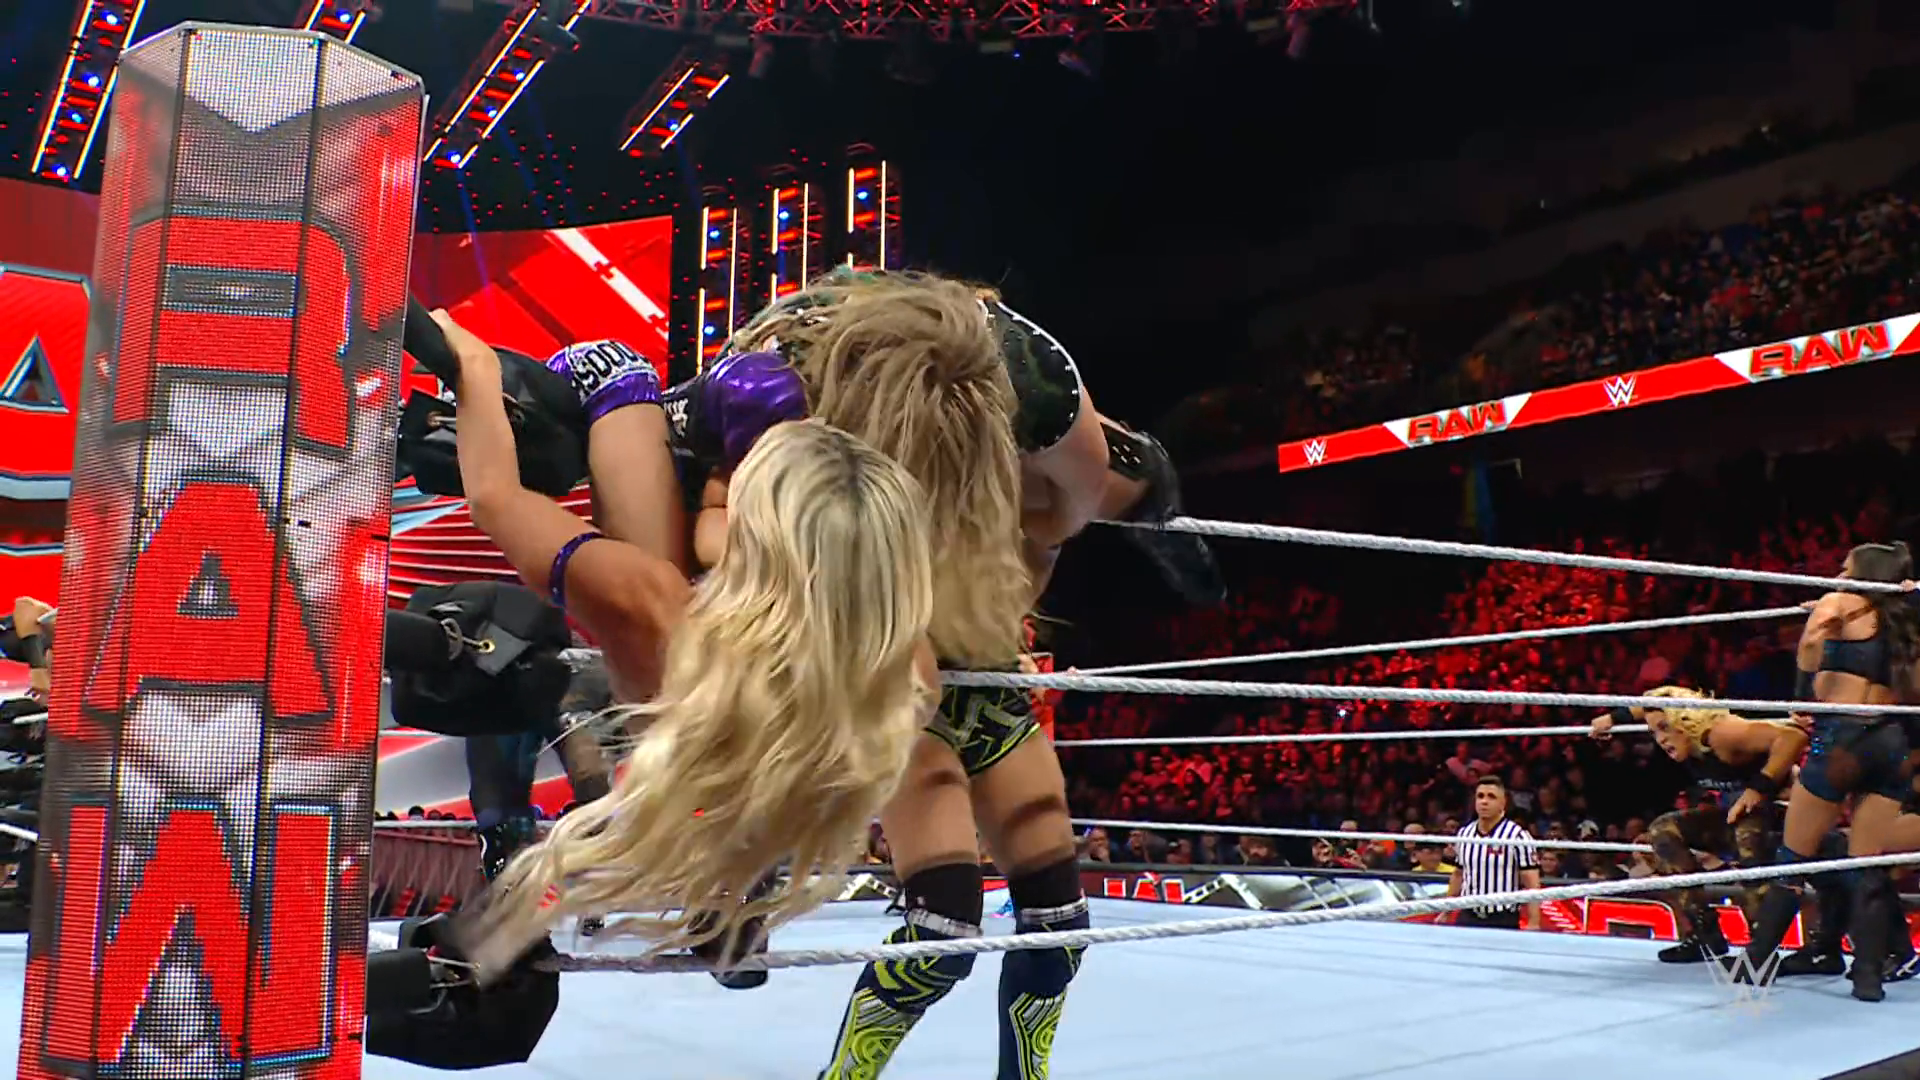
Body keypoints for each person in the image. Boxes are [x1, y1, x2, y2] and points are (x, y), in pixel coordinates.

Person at [687, 270, 1197, 1079]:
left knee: (1060, 926)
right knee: (944, 930)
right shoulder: (809, 420)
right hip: (891, 678)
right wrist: (813, 565)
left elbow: (1081, 513)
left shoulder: (1033, 442)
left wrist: (1046, 554)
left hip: (987, 686)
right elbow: (713, 526)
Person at [421, 310, 941, 983]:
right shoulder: (899, 676)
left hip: (659, 421)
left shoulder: (659, 607)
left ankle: (514, 902)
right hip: (751, 498)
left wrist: (475, 365)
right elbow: (494, 498)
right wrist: (476, 369)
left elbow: (497, 499)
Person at [1729, 542, 1920, 1001]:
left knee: (1794, 856)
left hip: (1841, 739)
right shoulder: (1909, 620)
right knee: (1865, 863)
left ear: (1862, 573)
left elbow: (1814, 639)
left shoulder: (1839, 602)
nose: (1838, 574)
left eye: (1846, 568)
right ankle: (1868, 979)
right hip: (1892, 742)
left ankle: (1754, 964)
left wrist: (1800, 696)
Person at [1588, 686, 1806, 963]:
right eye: (1654, 732)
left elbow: (1794, 736)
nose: (1661, 739)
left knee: (1747, 831)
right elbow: (1650, 704)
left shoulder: (1721, 735)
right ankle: (1706, 935)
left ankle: (1760, 947)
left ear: (1685, 720)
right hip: (1740, 816)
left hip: (1785, 818)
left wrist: (1759, 788)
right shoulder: (1686, 738)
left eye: (1665, 728)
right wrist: (1612, 718)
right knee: (1663, 831)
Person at [1446, 776, 1541, 930]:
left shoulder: (1517, 836)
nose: (1484, 801)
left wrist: (1534, 921)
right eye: (1480, 796)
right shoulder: (1465, 833)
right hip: (1468, 913)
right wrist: (1446, 910)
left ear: (1503, 803)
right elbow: (1458, 874)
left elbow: (1531, 882)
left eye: (1491, 797)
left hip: (1502, 917)